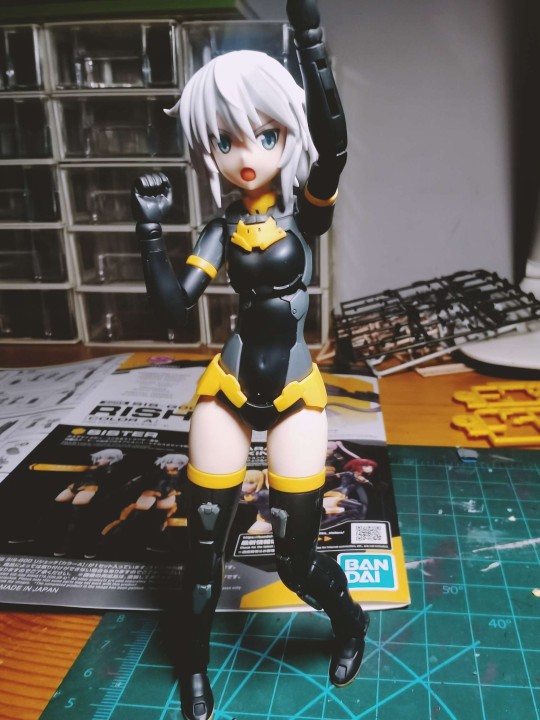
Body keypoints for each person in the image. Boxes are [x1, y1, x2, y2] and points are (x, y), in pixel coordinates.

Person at [132, 2, 368, 717]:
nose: (246, 154)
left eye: (265, 134)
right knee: (204, 546)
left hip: (295, 390)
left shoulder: (304, 212)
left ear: (286, 132)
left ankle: (350, 623)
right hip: (230, 388)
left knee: (294, 558)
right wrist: (149, 232)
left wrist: (313, 44)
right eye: (226, 139)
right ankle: (195, 671)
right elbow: (174, 305)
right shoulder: (220, 229)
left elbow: (334, 150)